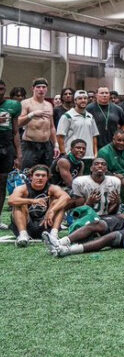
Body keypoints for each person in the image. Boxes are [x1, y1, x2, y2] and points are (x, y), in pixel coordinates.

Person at [8, 164, 69, 247]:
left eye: (43, 176)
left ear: (47, 178)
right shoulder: (23, 188)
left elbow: (66, 197)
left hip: (46, 224)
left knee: (58, 203)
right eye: (37, 175)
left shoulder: (52, 188)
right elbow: (11, 200)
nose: (40, 178)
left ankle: (53, 235)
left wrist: (52, 210)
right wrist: (33, 201)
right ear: (31, 177)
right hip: (26, 224)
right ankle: (23, 235)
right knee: (19, 203)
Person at [18, 78, 58, 171]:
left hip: (46, 145)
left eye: (43, 87)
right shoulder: (26, 103)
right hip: (30, 145)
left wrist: (56, 144)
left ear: (46, 89)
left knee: (46, 173)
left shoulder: (49, 105)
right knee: (27, 173)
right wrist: (32, 114)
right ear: (33, 88)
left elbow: (51, 127)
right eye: (38, 87)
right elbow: (19, 123)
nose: (41, 89)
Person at [0, 80, 22, 227]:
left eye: (2, 89)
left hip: (6, 148)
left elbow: (15, 131)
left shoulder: (13, 106)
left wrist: (18, 154)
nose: (0, 92)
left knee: (1, 184)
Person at [97, 129, 124, 201]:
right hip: (110, 176)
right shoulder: (104, 151)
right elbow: (101, 170)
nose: (122, 143)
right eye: (119, 140)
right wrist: (117, 178)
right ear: (113, 139)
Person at [56, 90, 99, 159]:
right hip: (72, 157)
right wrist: (64, 153)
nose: (83, 100)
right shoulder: (67, 116)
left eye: (85, 98)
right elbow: (60, 136)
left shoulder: (90, 117)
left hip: (89, 156)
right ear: (75, 101)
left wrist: (95, 153)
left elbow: (94, 136)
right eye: (80, 98)